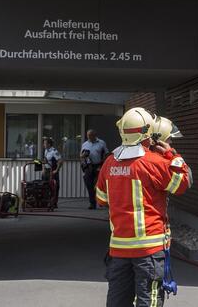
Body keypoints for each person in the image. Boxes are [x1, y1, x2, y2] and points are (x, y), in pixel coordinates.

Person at [97, 107, 191, 307]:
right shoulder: (154, 162)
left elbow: (101, 199)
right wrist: (171, 154)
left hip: (119, 249)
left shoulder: (109, 163)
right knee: (149, 300)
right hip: (149, 249)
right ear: (148, 132)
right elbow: (182, 183)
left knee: (117, 300)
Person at [81, 129, 109, 209]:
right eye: (87, 135)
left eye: (90, 135)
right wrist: (83, 158)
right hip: (88, 166)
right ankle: (92, 203)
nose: (88, 137)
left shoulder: (101, 143)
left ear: (94, 135)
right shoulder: (85, 144)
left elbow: (106, 154)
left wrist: (103, 165)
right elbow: (81, 156)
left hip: (98, 166)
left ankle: (100, 201)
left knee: (98, 185)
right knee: (89, 184)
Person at [42, 137, 62, 207]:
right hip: (46, 171)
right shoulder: (46, 150)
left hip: (52, 171)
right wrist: (43, 169)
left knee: (54, 187)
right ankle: (46, 202)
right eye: (44, 143)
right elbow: (45, 160)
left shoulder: (54, 151)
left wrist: (56, 170)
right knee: (45, 187)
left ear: (49, 144)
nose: (43, 145)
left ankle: (54, 203)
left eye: (45, 143)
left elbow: (60, 161)